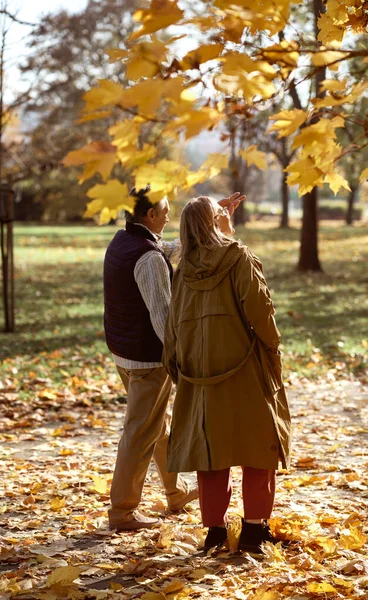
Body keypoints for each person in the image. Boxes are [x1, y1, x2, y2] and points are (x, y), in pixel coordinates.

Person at [103, 185, 244, 531]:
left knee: (156, 425)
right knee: (140, 432)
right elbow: (162, 315)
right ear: (150, 215)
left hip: (125, 353)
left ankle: (175, 492)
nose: (169, 213)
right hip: (148, 360)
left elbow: (170, 249)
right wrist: (180, 356)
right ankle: (122, 512)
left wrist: (209, 222)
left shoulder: (125, 241)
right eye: (165, 209)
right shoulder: (148, 258)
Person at [162, 195, 291, 554]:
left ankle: (215, 532)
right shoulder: (239, 258)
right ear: (214, 224)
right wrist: (273, 352)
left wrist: (176, 367)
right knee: (257, 448)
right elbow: (262, 313)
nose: (229, 219)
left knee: (211, 453)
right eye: (222, 215)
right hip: (244, 368)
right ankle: (253, 531)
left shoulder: (183, 270)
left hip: (198, 376)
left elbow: (172, 327)